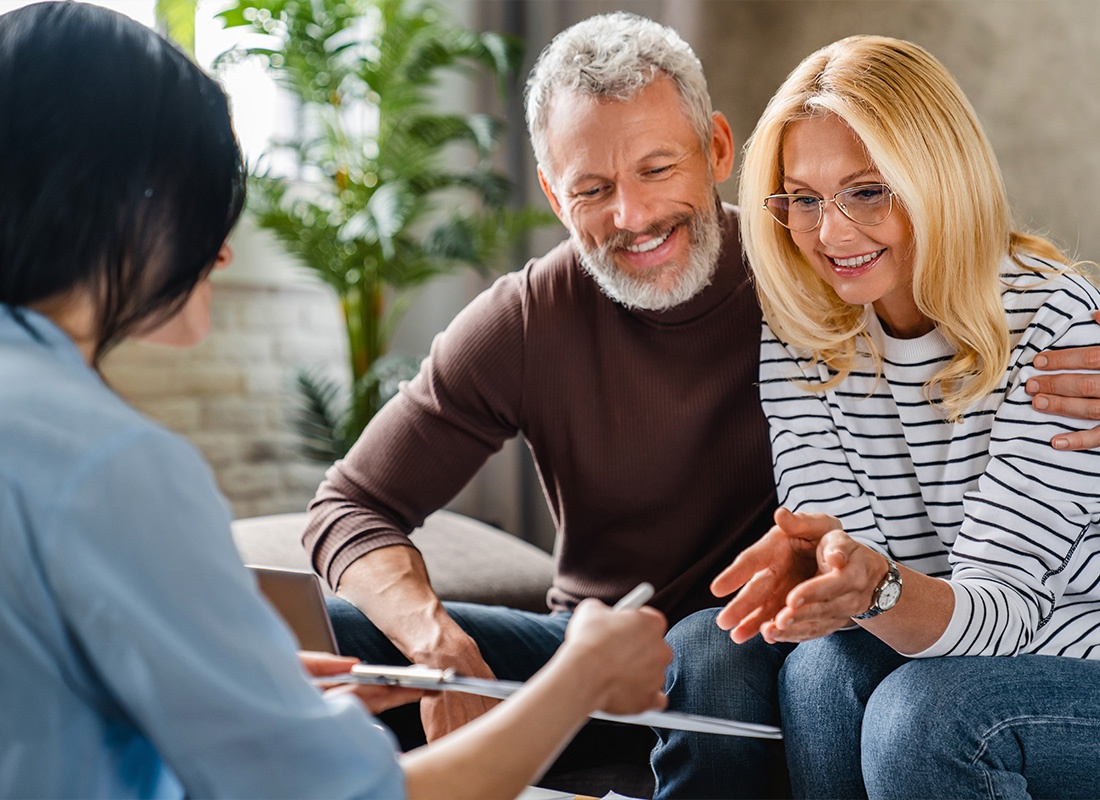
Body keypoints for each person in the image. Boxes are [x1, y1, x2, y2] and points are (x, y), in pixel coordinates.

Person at [0, 3, 673, 798]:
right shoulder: (113, 465)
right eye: (209, 203)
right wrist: (582, 675)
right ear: (124, 204)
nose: (220, 249)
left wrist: (235, 684)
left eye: (657, 169)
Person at [305, 11, 786, 798]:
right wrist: (435, 645)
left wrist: (1064, 346)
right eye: (593, 188)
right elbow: (349, 506)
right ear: (557, 198)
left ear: (719, 150)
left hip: (746, 662)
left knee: (712, 649)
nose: (631, 217)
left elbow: (960, 275)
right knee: (324, 642)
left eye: (658, 169)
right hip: (582, 665)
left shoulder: (810, 273)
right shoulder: (529, 317)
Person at [714, 34, 1100, 798]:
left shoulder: (1052, 321)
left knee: (922, 717)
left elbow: (1009, 613)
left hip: (1071, 668)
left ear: (938, 177)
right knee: (820, 673)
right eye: (804, 198)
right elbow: (852, 559)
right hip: (938, 639)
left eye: (867, 190)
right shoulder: (806, 326)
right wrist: (842, 580)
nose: (830, 234)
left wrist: (874, 587)